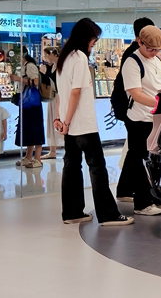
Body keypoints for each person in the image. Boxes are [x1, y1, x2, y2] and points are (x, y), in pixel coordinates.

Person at [55, 17, 133, 226]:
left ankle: (72, 212)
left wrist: (61, 119)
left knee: (71, 166)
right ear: (85, 37)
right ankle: (108, 214)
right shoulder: (80, 58)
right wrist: (68, 121)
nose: (94, 43)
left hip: (69, 124)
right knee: (97, 167)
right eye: (94, 39)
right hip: (82, 123)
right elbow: (75, 92)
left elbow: (60, 93)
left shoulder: (64, 58)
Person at [121, 25, 161, 216]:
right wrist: (159, 104)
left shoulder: (157, 60)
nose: (153, 52)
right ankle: (142, 203)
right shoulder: (132, 62)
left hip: (156, 118)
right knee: (139, 161)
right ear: (139, 42)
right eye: (150, 49)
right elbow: (136, 93)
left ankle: (158, 197)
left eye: (157, 49)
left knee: (156, 160)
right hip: (139, 119)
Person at [114, 16, 154, 201]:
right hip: (133, 108)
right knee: (137, 151)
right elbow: (134, 90)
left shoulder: (145, 54)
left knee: (134, 150)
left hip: (135, 107)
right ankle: (140, 196)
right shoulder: (134, 55)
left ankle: (125, 189)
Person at [11, 46, 45, 168]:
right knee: (28, 129)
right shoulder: (24, 66)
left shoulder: (30, 66)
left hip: (32, 103)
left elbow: (36, 82)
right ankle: (28, 156)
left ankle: (37, 158)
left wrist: (18, 79)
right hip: (26, 103)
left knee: (35, 129)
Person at [40, 47, 63, 160]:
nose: (45, 58)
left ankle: (64, 148)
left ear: (51, 54)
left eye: (46, 55)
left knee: (61, 120)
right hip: (52, 96)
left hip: (60, 96)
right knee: (52, 121)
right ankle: (52, 150)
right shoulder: (51, 67)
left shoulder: (61, 66)